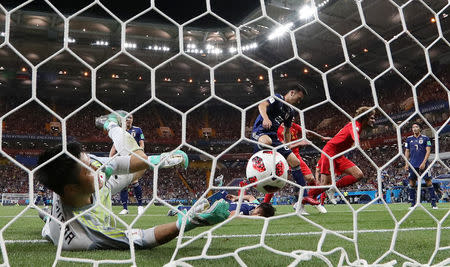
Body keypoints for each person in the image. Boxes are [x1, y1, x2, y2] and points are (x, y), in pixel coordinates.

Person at [38, 112, 228, 250]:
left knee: (138, 166)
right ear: (70, 189)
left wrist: (159, 160)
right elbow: (141, 238)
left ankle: (111, 126)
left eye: (91, 162)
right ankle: (111, 125)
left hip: (93, 190)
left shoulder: (81, 171)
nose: (96, 167)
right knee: (48, 228)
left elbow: (125, 162)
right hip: (67, 222)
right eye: (89, 170)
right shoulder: (82, 237)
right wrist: (188, 222)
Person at [251, 84, 319, 214]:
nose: (298, 102)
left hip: (274, 139)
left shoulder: (290, 112)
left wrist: (287, 146)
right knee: (267, 141)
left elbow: (287, 130)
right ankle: (258, 159)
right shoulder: (277, 98)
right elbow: (261, 105)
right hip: (259, 133)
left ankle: (302, 199)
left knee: (295, 162)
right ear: (292, 92)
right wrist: (265, 118)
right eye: (298, 98)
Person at [308, 107, 376, 203]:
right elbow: (354, 134)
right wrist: (356, 141)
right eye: (372, 118)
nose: (374, 120)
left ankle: (333, 188)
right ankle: (304, 199)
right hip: (329, 152)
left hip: (338, 155)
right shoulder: (355, 125)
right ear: (365, 117)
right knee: (325, 184)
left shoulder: (358, 127)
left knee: (358, 175)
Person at [109, 113, 146, 215]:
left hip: (132, 158)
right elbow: (114, 148)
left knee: (134, 181)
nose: (128, 120)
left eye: (130, 118)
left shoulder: (138, 130)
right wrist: (110, 159)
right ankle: (125, 208)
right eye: (126, 118)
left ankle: (140, 206)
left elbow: (142, 143)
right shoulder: (119, 132)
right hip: (122, 158)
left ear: (133, 119)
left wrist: (139, 154)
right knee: (123, 185)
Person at [168, 191, 275, 218]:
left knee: (204, 211)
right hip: (227, 203)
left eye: (261, 215)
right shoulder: (254, 204)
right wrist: (236, 197)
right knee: (221, 196)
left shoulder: (246, 213)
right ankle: (182, 209)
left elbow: (233, 215)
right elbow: (250, 196)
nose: (258, 215)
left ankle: (180, 209)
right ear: (258, 206)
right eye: (259, 212)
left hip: (223, 209)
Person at [404, 123, 437, 209]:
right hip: (412, 164)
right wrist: (406, 163)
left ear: (420, 129)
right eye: (413, 127)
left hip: (423, 164)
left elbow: (428, 151)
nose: (414, 129)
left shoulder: (426, 138)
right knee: (412, 183)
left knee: (428, 182)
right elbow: (407, 151)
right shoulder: (408, 139)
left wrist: (423, 162)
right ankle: (413, 204)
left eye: (416, 127)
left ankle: (433, 204)